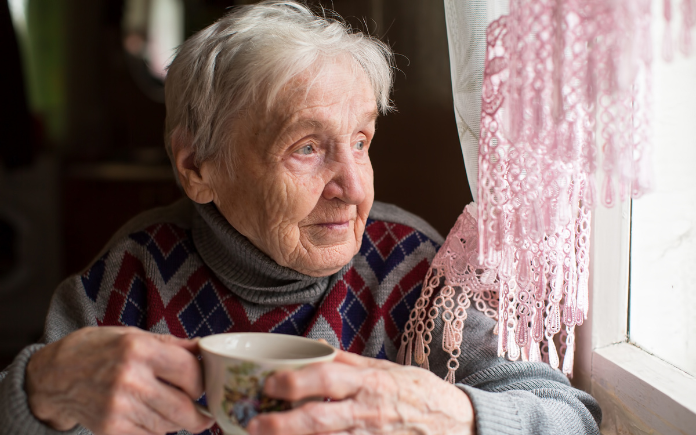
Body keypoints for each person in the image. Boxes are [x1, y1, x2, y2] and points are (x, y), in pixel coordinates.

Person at [0, 2, 602, 434]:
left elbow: (569, 417)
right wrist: (41, 390)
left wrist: (446, 413)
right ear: (197, 168)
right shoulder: (133, 272)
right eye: (307, 148)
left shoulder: (413, 268)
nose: (352, 188)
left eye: (361, 141)